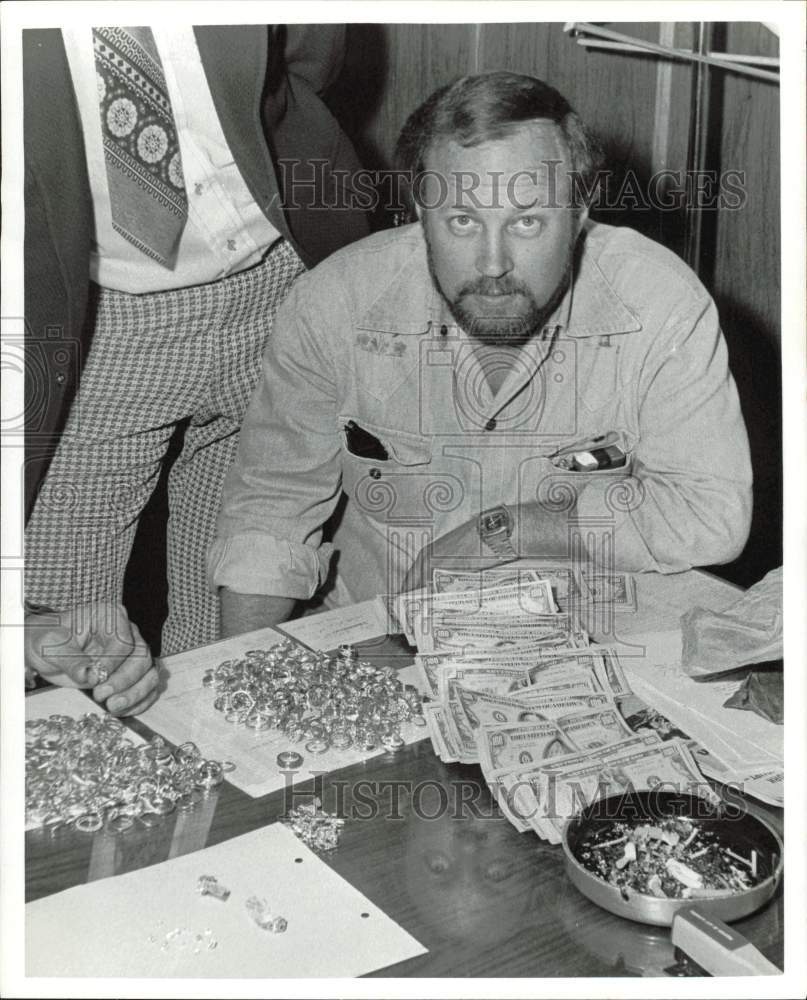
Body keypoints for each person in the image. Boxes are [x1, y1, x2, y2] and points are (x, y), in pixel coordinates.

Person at [210, 71, 752, 637]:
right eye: (463, 220)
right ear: (421, 210)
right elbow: (271, 512)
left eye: (528, 221)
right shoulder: (334, 302)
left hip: (584, 636)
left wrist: (504, 531)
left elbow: (711, 514)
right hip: (382, 638)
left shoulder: (660, 301)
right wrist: (237, 665)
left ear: (579, 214)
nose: (494, 265)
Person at [22, 24, 368, 714]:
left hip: (277, 276)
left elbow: (307, 61)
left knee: (227, 639)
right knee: (66, 652)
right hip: (95, 320)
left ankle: (223, 811)